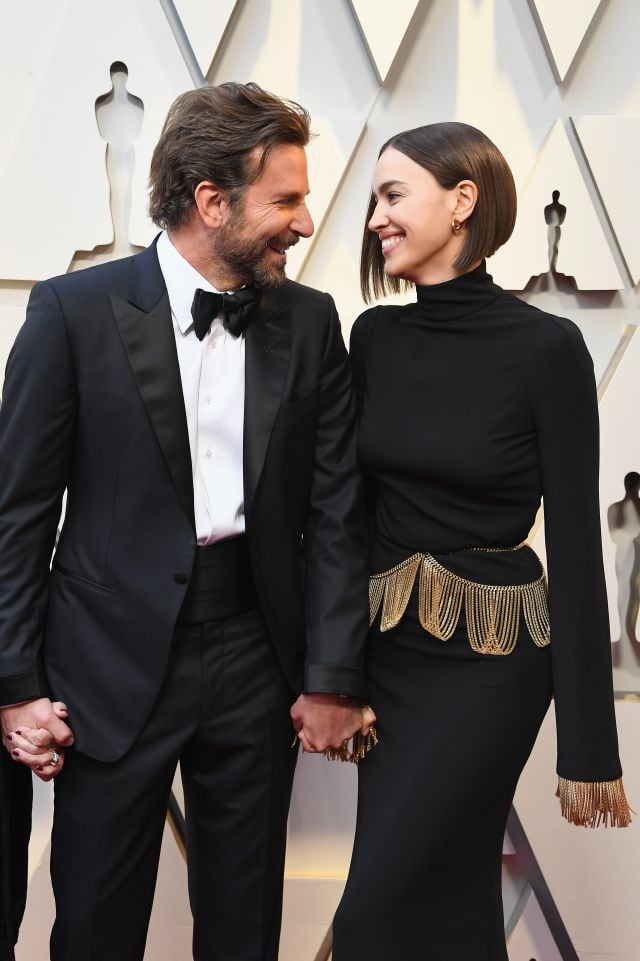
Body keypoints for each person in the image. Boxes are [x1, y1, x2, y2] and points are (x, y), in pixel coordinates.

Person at [0, 82, 372, 961]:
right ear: (213, 200)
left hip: (254, 654)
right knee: (94, 924)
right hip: (103, 662)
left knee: (245, 931)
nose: (306, 221)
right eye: (286, 198)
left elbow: (335, 510)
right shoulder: (71, 312)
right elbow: (17, 514)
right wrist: (15, 683)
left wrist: (331, 672)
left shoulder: (312, 322)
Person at [331, 122, 630, 961]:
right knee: (453, 902)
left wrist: (589, 749)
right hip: (390, 664)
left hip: (489, 672)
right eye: (376, 200)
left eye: (393, 195)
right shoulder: (374, 339)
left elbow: (574, 543)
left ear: (462, 200)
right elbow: (350, 519)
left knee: (375, 915)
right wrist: (336, 673)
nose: (376, 218)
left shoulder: (546, 349)